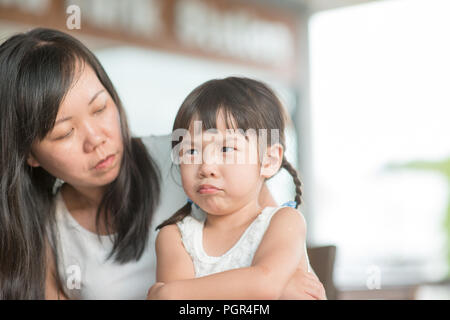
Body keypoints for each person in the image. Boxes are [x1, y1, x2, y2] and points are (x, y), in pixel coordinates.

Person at [0, 28, 325, 300]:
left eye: (100, 109)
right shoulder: (42, 231)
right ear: (28, 154)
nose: (95, 139)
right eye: (65, 132)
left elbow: (282, 273)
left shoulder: (189, 156)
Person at [148, 77, 311, 299]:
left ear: (269, 160)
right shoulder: (175, 237)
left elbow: (264, 284)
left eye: (226, 148)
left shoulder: (284, 222)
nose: (206, 167)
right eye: (191, 152)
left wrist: (169, 293)